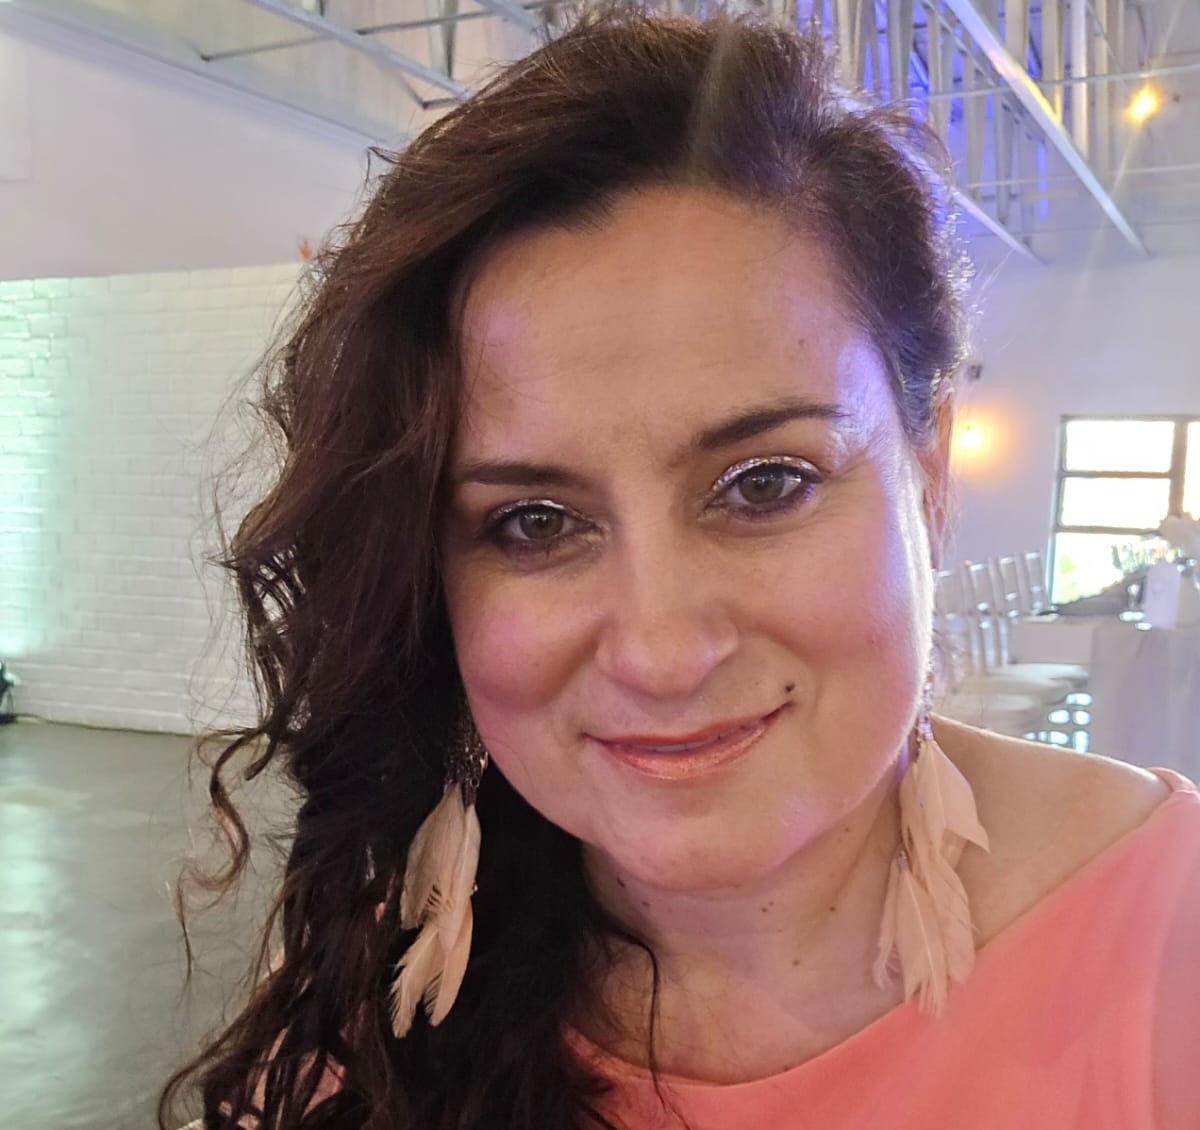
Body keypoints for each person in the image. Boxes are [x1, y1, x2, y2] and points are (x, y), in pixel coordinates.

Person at [161, 9, 1200, 1130]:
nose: (661, 652)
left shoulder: (1171, 940)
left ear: (931, 475)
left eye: (766, 484)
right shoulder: (373, 994)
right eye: (534, 522)